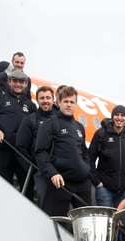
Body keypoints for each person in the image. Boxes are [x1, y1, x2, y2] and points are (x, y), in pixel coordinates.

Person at [34, 85, 91, 216]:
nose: (69, 105)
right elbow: (40, 152)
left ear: (76, 105)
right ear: (58, 102)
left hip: (82, 184)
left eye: (72, 102)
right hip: (61, 183)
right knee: (58, 223)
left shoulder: (79, 127)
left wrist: (87, 169)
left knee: (85, 225)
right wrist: (53, 173)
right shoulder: (49, 124)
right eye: (66, 101)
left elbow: (84, 152)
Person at [0, 70, 36, 186]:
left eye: (21, 82)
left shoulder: (31, 105)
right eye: (15, 81)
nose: (18, 85)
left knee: (27, 190)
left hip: (23, 154)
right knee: (2, 186)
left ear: (25, 84)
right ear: (9, 81)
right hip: (3, 150)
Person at [89, 105, 125, 208]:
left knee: (123, 223)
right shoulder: (101, 134)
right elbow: (90, 158)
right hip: (104, 189)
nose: (119, 118)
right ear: (112, 117)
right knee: (105, 223)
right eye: (116, 115)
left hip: (124, 191)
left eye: (122, 115)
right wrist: (97, 182)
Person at [16, 85, 57, 200]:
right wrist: (33, 167)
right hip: (39, 171)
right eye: (42, 98)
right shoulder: (30, 119)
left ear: (53, 100)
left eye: (48, 98)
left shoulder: (59, 119)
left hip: (59, 171)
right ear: (37, 100)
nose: (45, 101)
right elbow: (21, 147)